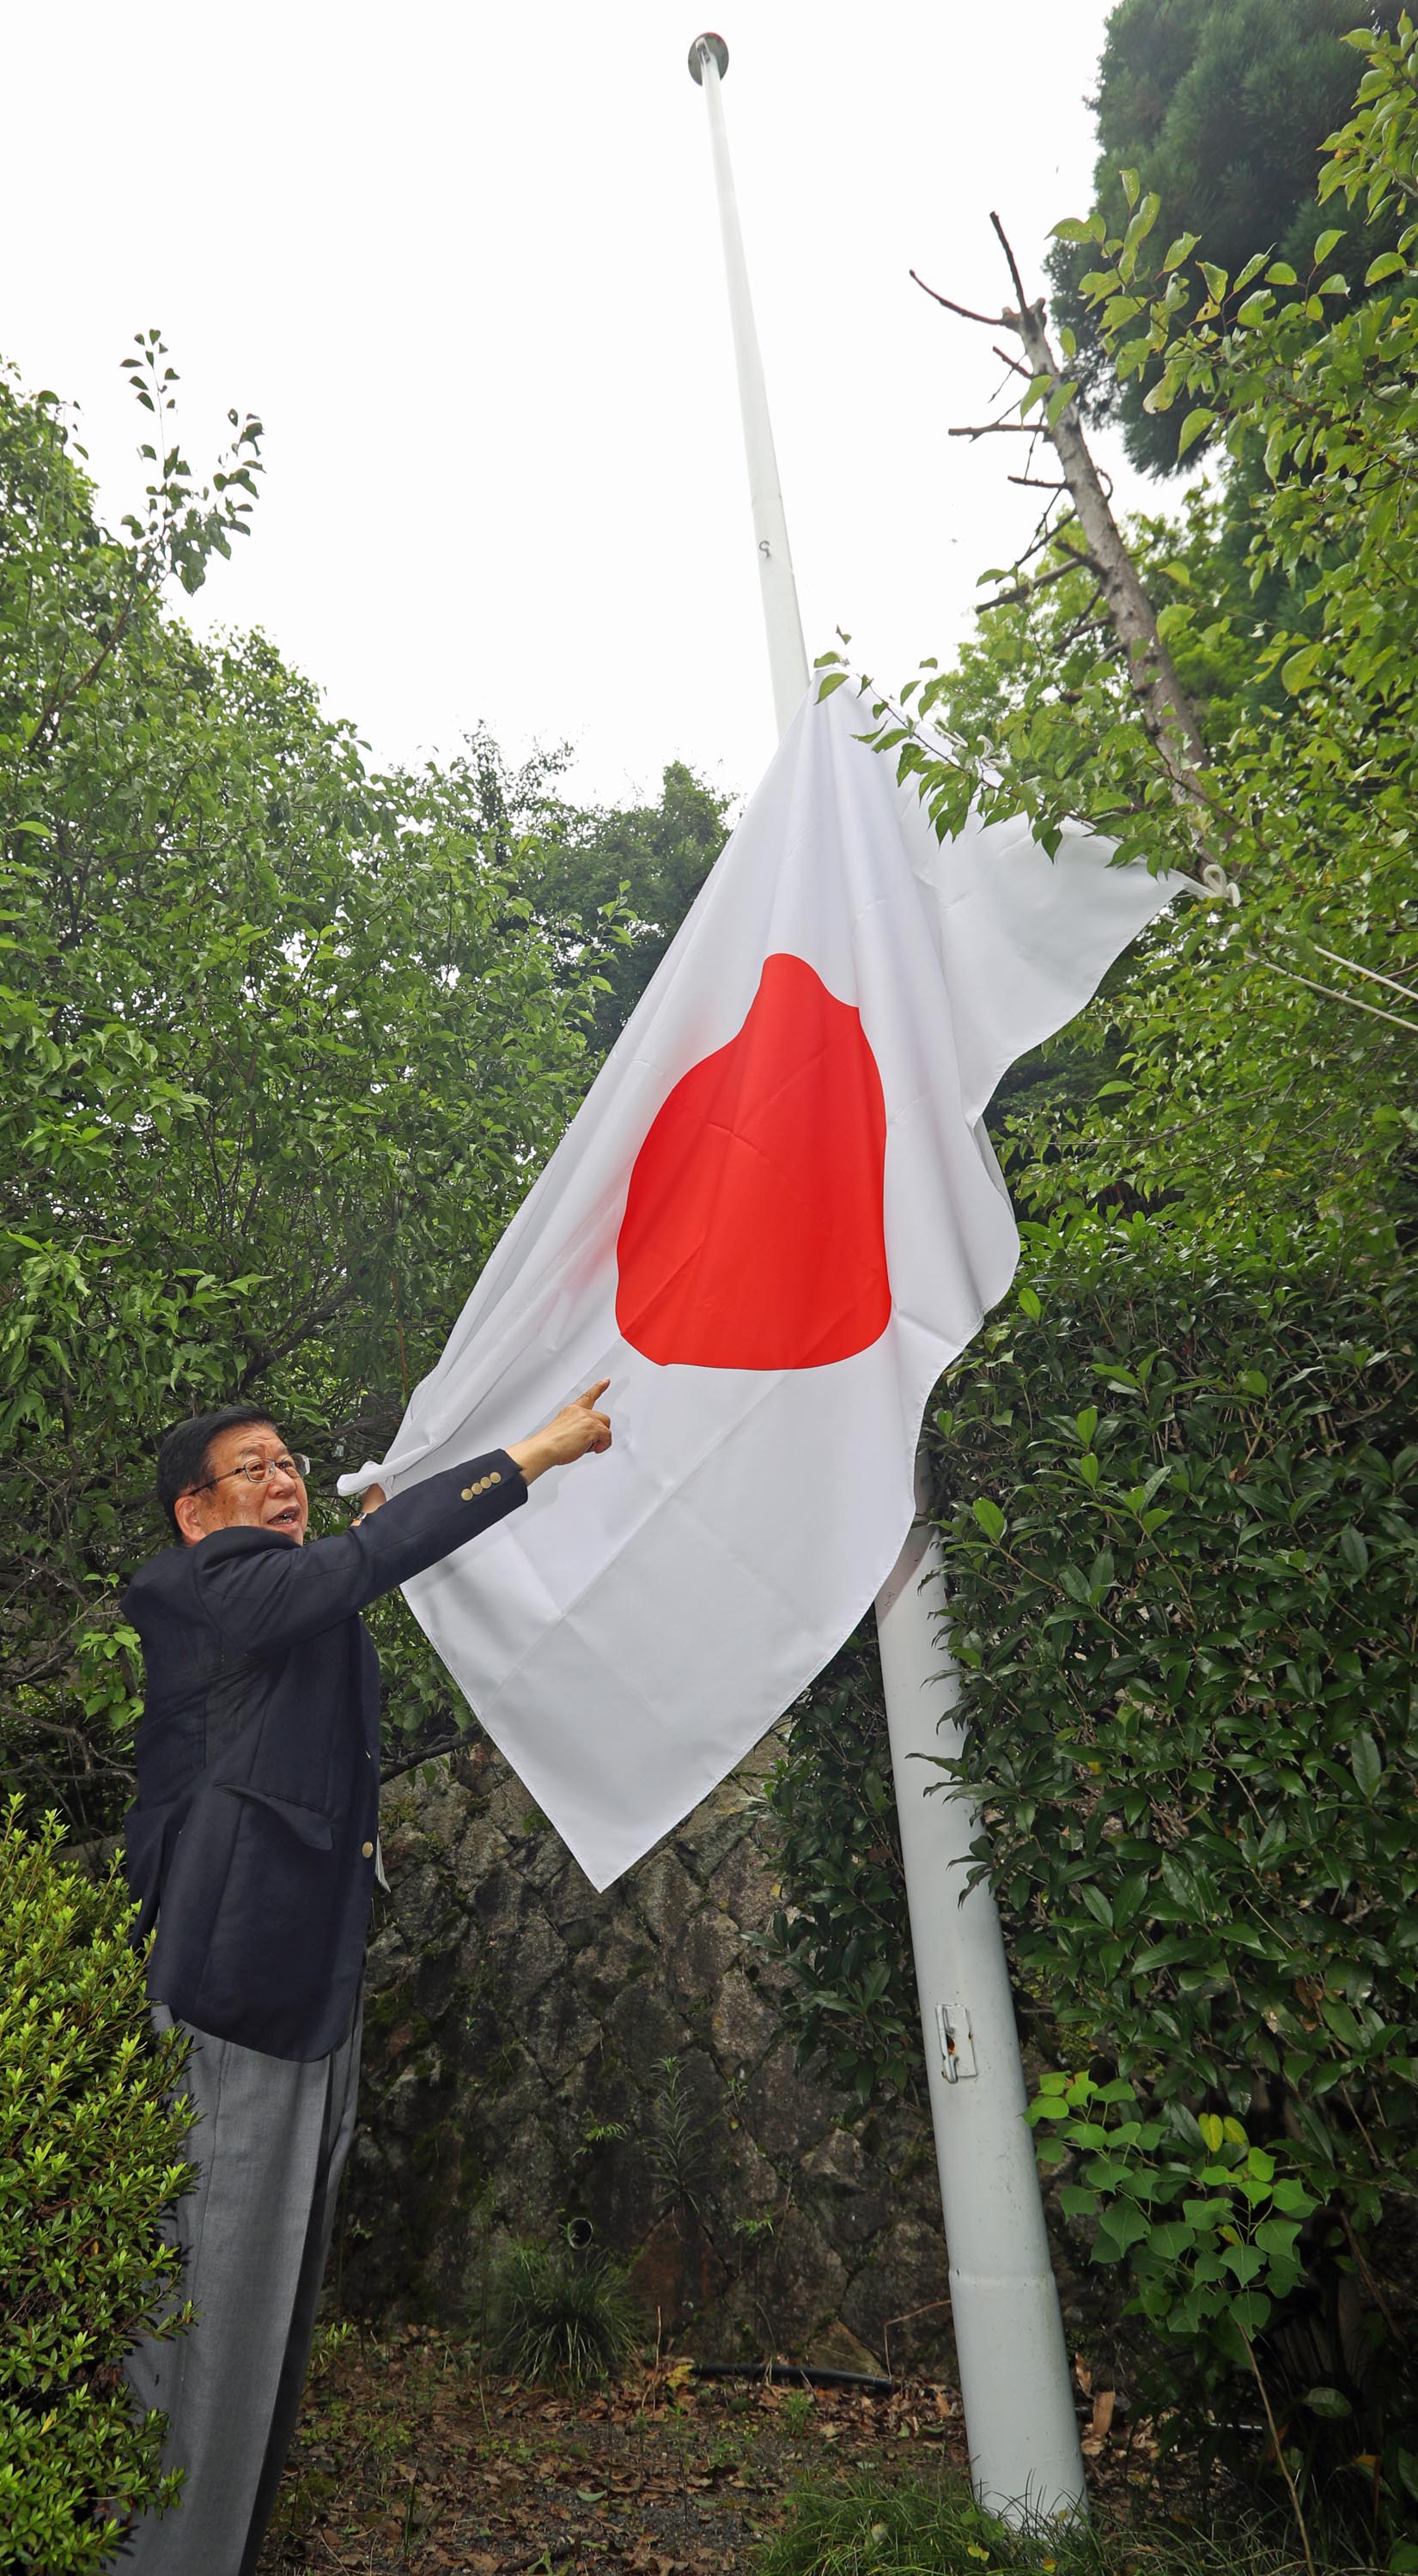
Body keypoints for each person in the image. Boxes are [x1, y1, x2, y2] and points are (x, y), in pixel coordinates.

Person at [118, 1384, 612, 2574]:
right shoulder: (201, 1586)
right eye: (254, 1470)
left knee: (269, 2299)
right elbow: (361, 1565)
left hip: (299, 1983)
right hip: (235, 1987)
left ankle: (214, 2548)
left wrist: (379, 1529)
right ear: (196, 1512)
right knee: (215, 2300)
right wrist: (531, 1454)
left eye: (291, 1463)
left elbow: (345, 1584)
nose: (286, 1481)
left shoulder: (269, 1600)